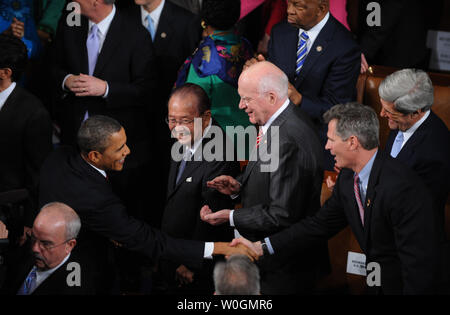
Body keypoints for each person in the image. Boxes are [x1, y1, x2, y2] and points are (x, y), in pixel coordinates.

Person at [233, 103, 441, 294]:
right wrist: (262, 246)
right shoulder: (348, 178)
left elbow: (419, 266)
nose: (327, 147)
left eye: (331, 139)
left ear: (352, 142)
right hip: (378, 281)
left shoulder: (402, 189)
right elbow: (317, 226)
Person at [38, 115, 257, 294]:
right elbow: (151, 241)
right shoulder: (97, 200)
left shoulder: (60, 156)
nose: (128, 151)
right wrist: (217, 247)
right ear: (95, 155)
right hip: (76, 274)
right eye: (119, 148)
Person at [201, 61, 328, 294]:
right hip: (275, 263)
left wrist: (230, 216)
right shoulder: (277, 122)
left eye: (246, 99)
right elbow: (274, 180)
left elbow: (281, 214)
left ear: (271, 97)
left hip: (287, 270)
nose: (241, 106)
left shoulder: (288, 137)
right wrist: (239, 186)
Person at [246, 0, 361, 170]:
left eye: (298, 6)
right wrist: (258, 72)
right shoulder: (280, 32)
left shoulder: (345, 47)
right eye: (288, 3)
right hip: (276, 134)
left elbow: (338, 110)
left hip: (316, 141)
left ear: (321, 8)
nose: (289, 11)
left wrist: (300, 100)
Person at [124, 0, 202, 224]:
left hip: (169, 127)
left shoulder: (186, 21)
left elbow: (191, 77)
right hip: (130, 123)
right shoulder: (123, 16)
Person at [160, 83, 240, 294]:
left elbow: (210, 219)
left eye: (185, 120)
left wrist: (191, 263)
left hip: (194, 266)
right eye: (172, 120)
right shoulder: (184, 135)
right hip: (172, 250)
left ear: (205, 117)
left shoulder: (221, 152)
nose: (177, 127)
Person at [378, 69, 450, 292]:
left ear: (416, 111)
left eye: (389, 111)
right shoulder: (403, 123)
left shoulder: (434, 151)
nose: (381, 114)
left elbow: (412, 214)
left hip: (412, 258)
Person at [175, 0, 254, 157]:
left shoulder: (203, 61)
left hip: (217, 147)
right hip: (251, 141)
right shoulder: (247, 48)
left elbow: (190, 107)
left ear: (205, 19)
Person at [0, 34, 53, 238]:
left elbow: (38, 172)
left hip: (10, 210)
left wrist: (31, 221)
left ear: (6, 72)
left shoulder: (34, 113)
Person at [3, 202, 96, 295]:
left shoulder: (76, 289)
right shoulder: (29, 247)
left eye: (46, 244)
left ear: (70, 245)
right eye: (33, 238)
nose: (35, 248)